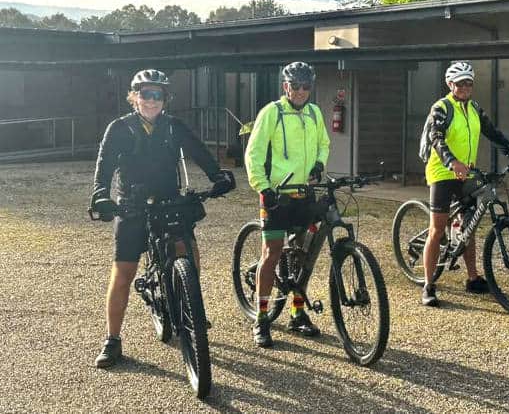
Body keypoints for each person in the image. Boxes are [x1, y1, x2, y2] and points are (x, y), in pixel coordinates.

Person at [89, 69, 235, 368]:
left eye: (158, 95)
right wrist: (101, 194)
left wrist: (217, 176)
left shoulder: (173, 126)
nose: (152, 100)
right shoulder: (119, 128)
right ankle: (112, 339)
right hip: (132, 206)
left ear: (165, 98)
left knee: (189, 252)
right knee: (123, 273)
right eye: (146, 94)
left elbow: (199, 151)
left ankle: (191, 306)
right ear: (135, 97)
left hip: (169, 202)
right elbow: (104, 166)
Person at [419, 61, 509, 307]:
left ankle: (473, 278)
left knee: (469, 224)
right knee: (437, 229)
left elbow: (493, 133)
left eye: (469, 83)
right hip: (442, 172)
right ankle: (428, 285)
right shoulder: (441, 107)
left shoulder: (474, 108)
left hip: (466, 173)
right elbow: (436, 138)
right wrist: (451, 162)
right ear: (450, 84)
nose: (465, 87)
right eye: (460, 84)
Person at [245, 61, 330, 347]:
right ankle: (262, 317)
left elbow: (324, 144)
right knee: (272, 253)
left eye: (306, 86)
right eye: (296, 86)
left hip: (304, 193)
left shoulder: (314, 112)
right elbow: (254, 153)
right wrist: (263, 187)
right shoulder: (272, 112)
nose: (301, 91)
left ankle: (297, 312)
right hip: (276, 195)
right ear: (286, 87)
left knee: (302, 256)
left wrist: (319, 164)